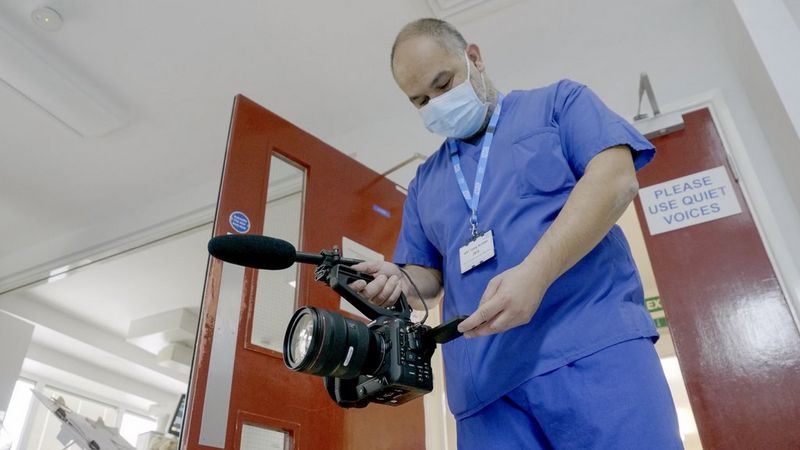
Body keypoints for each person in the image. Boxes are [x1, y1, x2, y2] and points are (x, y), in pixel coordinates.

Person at [350, 18, 683, 449]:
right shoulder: (424, 183)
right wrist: (398, 281)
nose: (436, 103)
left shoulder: (558, 105)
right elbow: (426, 278)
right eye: (420, 100)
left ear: (474, 58)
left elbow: (616, 179)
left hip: (591, 352)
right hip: (486, 390)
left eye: (444, 83)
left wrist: (536, 274)